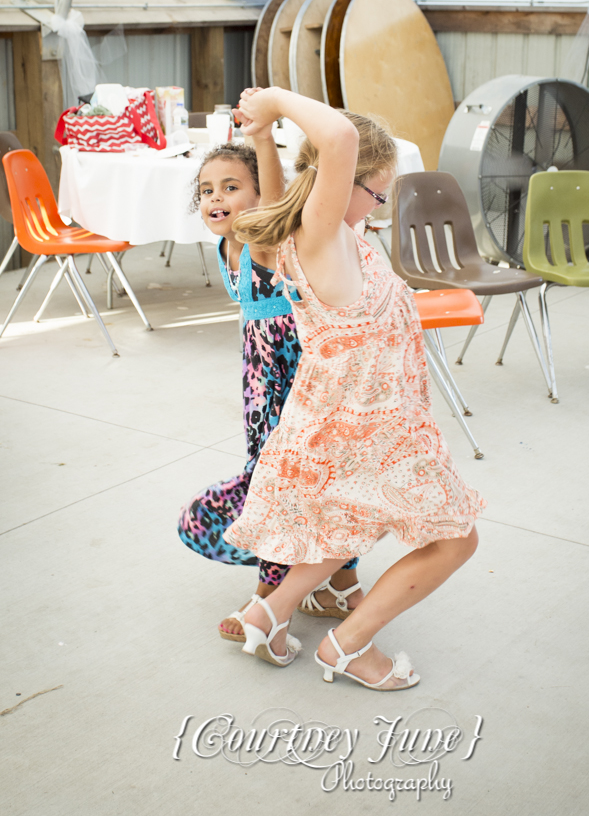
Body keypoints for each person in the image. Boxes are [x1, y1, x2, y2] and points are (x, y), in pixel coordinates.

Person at [223, 87, 486, 690]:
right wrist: (270, 102)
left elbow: (313, 167)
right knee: (455, 540)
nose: (378, 204)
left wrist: (263, 137)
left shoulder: (320, 233)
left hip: (350, 416)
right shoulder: (323, 235)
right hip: (372, 425)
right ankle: (347, 644)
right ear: (344, 183)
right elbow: (338, 138)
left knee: (347, 525)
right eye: (377, 192)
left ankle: (268, 613)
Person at [177, 99, 362, 640]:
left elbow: (275, 204)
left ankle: (271, 591)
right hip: (261, 382)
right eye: (208, 189)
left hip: (294, 375)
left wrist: (261, 139)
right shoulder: (225, 247)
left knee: (281, 482)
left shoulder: (262, 240)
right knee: (298, 481)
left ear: (259, 197)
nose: (217, 197)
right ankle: (337, 583)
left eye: (232, 186)